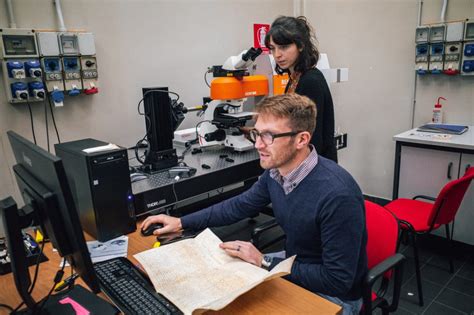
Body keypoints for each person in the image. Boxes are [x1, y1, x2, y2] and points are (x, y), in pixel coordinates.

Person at [141, 94, 367, 314]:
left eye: (268, 136)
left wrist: (263, 260)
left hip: (335, 297)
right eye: (256, 133)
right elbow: (239, 205)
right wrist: (181, 222)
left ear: (301, 139)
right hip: (294, 262)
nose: (258, 144)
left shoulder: (337, 196)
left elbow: (337, 281)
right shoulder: (276, 173)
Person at [265, 15, 338, 162]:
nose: (277, 55)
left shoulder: (310, 81)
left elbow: (311, 138)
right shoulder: (295, 78)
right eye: (273, 49)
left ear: (300, 45)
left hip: (314, 167)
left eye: (284, 47)